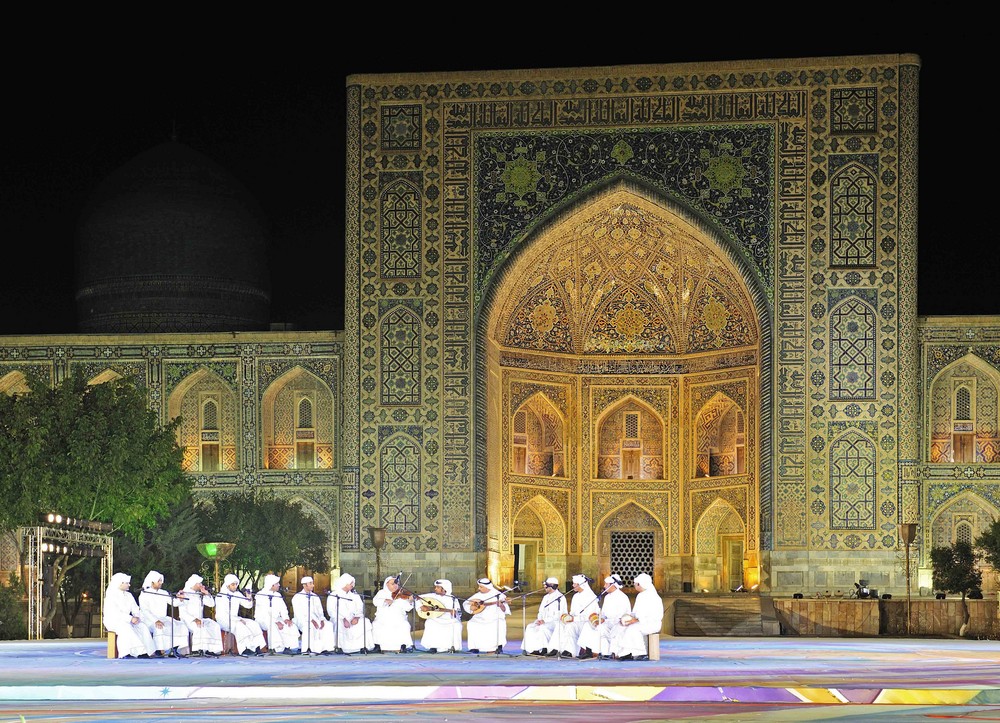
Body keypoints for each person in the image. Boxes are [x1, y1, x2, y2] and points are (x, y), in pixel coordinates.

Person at [103, 572, 155, 659]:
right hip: (113, 620)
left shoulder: (129, 595)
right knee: (125, 627)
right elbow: (114, 613)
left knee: (142, 627)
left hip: (127, 620)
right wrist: (130, 618)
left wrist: (137, 617)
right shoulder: (111, 596)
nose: (129, 585)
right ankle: (127, 652)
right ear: (120, 583)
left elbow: (135, 608)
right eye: (127, 583)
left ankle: (146, 652)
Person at [615, 573, 664, 661]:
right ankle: (626, 652)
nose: (634, 585)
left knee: (633, 628)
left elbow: (653, 615)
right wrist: (628, 618)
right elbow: (635, 613)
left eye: (635, 583)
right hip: (640, 622)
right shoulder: (641, 595)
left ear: (639, 584)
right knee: (622, 627)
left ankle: (640, 653)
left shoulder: (652, 596)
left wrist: (636, 620)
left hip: (651, 623)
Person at [138, 570, 187, 658]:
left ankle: (174, 650)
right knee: (160, 627)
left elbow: (174, 603)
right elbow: (145, 611)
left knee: (180, 625)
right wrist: (156, 620)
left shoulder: (163, 593)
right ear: (152, 582)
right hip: (149, 619)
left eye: (161, 581)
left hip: (163, 618)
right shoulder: (144, 594)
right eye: (159, 581)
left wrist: (180, 599)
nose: (161, 583)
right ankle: (158, 650)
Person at [216, 573, 266, 656]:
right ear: (227, 585)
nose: (235, 586)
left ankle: (257, 647)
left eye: (236, 584)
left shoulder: (237, 594)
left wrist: (249, 598)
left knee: (253, 624)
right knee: (240, 626)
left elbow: (248, 606)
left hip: (236, 619)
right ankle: (245, 649)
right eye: (233, 584)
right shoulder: (221, 596)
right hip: (224, 619)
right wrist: (238, 620)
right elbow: (223, 613)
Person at [177, 573, 223, 657]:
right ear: (193, 584)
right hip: (188, 620)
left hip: (200, 619)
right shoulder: (184, 593)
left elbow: (211, 604)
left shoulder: (199, 594)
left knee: (214, 626)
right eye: (199, 583)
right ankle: (197, 650)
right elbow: (183, 612)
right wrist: (194, 619)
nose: (201, 585)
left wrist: (206, 593)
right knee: (200, 627)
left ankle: (211, 649)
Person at [327, 573, 373, 653]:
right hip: (339, 618)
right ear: (345, 583)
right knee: (339, 623)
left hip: (353, 619)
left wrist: (357, 617)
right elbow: (331, 611)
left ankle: (363, 647)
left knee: (366, 622)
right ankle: (341, 648)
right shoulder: (334, 595)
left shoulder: (355, 596)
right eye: (351, 583)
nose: (353, 585)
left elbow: (360, 608)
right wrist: (343, 619)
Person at [254, 574, 300, 655]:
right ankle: (276, 648)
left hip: (276, 618)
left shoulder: (278, 595)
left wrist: (286, 618)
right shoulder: (260, 595)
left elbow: (283, 609)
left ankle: (289, 647)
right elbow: (264, 612)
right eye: (277, 584)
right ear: (271, 585)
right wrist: (275, 621)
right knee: (272, 625)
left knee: (290, 625)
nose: (279, 585)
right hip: (263, 619)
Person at [462, 577, 509, 654]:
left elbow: (505, 610)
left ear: (487, 587)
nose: (479, 588)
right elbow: (466, 603)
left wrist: (500, 605)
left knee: (498, 624)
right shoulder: (478, 595)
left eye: (481, 587)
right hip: (479, 617)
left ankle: (497, 647)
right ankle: (474, 648)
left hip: (494, 618)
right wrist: (472, 608)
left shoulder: (499, 596)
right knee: (472, 623)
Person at [521, 577, 566, 657]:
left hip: (555, 622)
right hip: (543, 621)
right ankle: (535, 648)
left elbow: (559, 614)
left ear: (552, 586)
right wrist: (540, 619)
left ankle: (544, 648)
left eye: (546, 586)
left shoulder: (560, 597)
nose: (545, 587)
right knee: (530, 627)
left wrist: (545, 621)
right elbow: (541, 611)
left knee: (543, 628)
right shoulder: (545, 597)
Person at [556, 574, 598, 659]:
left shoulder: (591, 597)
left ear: (580, 584)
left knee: (586, 626)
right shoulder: (575, 596)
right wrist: (569, 617)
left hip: (587, 622)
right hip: (576, 622)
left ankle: (588, 651)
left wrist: (574, 619)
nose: (572, 585)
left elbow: (590, 616)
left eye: (574, 584)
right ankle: (569, 651)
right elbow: (572, 612)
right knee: (568, 626)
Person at [291, 576, 336, 654]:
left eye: (312, 583)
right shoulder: (297, 597)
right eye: (310, 583)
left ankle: (325, 648)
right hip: (302, 620)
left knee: (328, 625)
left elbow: (320, 611)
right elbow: (299, 613)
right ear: (304, 585)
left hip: (316, 619)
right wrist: (311, 620)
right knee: (310, 626)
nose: (313, 585)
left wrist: (322, 620)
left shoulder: (315, 596)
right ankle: (308, 649)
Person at [416, 578, 462, 653]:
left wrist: (455, 614)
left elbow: (458, 613)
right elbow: (416, 598)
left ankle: (450, 647)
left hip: (449, 620)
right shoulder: (431, 596)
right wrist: (420, 607)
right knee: (430, 623)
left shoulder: (453, 599)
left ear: (444, 589)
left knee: (456, 625)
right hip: (435, 618)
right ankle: (433, 647)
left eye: (437, 587)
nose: (435, 589)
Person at [372, 575, 414, 653]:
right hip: (383, 618)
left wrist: (410, 601)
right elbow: (375, 601)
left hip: (398, 618)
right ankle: (377, 646)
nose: (395, 586)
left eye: (396, 584)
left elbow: (408, 608)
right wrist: (385, 600)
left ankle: (403, 646)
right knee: (376, 625)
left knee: (404, 625)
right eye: (393, 584)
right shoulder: (381, 593)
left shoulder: (401, 594)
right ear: (387, 584)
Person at [593, 574, 630, 659]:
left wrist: (608, 621)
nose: (604, 586)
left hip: (619, 623)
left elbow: (622, 616)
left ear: (613, 585)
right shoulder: (607, 597)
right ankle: (606, 653)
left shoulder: (622, 597)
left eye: (606, 584)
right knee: (600, 628)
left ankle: (616, 653)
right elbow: (605, 614)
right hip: (608, 622)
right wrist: (601, 618)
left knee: (615, 630)